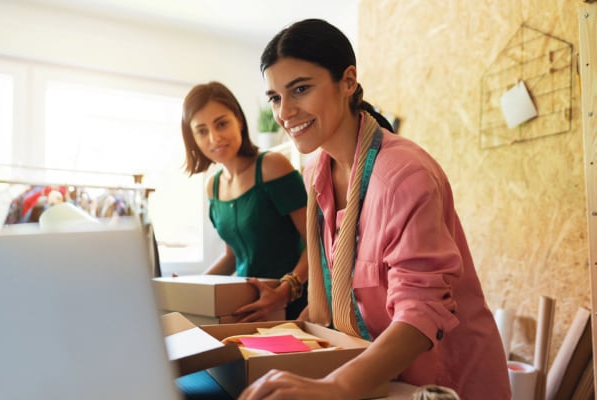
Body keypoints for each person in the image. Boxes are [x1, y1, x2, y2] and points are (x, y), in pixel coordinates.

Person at [239, 19, 510, 400]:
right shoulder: (316, 172)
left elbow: (422, 314)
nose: (285, 112)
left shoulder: (404, 175)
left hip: (443, 384)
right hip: (378, 377)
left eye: (300, 89)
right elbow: (340, 294)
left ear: (348, 81)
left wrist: (335, 385)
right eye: (275, 97)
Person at [181, 81, 308, 321]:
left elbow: (317, 242)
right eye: (202, 130)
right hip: (246, 308)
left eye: (221, 124)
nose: (214, 138)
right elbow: (232, 256)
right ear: (193, 138)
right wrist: (190, 286)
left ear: (239, 120)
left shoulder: (272, 166)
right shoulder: (214, 186)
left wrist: (284, 291)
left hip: (291, 306)